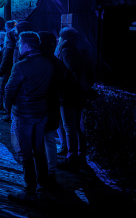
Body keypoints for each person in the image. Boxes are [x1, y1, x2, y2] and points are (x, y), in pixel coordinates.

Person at [5, 31, 53, 204]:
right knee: (39, 151)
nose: (18, 47)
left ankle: (29, 190)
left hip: (24, 113)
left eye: (19, 44)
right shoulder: (47, 63)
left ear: (25, 46)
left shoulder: (21, 66)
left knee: (25, 152)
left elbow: (10, 89)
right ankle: (42, 187)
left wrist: (7, 107)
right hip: (41, 113)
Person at [55, 27, 87, 170]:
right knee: (73, 126)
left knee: (70, 127)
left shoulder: (66, 50)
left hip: (68, 94)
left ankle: (72, 157)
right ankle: (78, 154)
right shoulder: (75, 49)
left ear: (64, 38)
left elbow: (74, 70)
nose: (58, 39)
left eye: (60, 37)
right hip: (73, 94)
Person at [38, 31, 66, 188]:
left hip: (40, 106)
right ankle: (51, 172)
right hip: (53, 104)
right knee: (49, 139)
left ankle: (42, 175)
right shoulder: (57, 62)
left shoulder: (39, 62)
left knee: (38, 140)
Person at [0, 20, 17, 120]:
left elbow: (5, 62)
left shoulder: (9, 49)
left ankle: (8, 112)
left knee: (5, 92)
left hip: (6, 73)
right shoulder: (11, 49)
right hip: (9, 72)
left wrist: (0, 71)